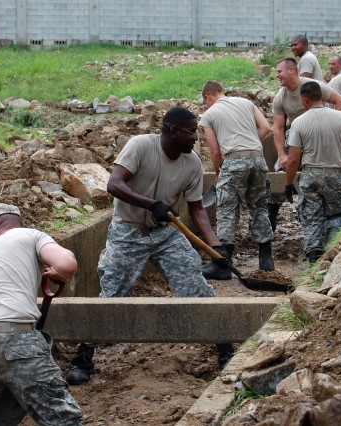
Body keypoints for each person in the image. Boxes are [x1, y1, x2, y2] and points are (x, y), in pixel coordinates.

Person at [64, 107, 235, 385]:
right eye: (192, 133)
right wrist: (151, 204)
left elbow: (197, 210)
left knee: (195, 286)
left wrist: (217, 246)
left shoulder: (191, 164)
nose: (196, 139)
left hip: (165, 234)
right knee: (113, 293)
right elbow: (114, 184)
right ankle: (83, 357)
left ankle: (225, 348)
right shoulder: (141, 146)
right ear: (173, 131)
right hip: (128, 231)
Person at [0, 203, 83, 425]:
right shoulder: (31, 235)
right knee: (61, 418)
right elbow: (68, 264)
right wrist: (55, 272)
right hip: (17, 341)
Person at [198, 80, 274, 280]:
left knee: (227, 211)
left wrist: (218, 173)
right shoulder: (245, 103)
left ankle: (223, 265)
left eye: (205, 101)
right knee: (259, 207)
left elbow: (215, 152)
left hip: (233, 162)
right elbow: (266, 127)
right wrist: (250, 146)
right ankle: (266, 260)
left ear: (208, 96)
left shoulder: (209, 115)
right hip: (258, 159)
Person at [285, 83, 341, 263]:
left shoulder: (299, 122)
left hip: (310, 175)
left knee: (312, 218)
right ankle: (333, 253)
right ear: (321, 97)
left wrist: (288, 184)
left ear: (305, 99)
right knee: (337, 215)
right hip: (335, 174)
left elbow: (293, 159)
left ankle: (314, 255)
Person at [270, 58, 341, 230]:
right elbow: (278, 128)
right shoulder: (280, 97)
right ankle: (271, 215)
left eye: (279, 71)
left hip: (320, 132)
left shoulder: (313, 86)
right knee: (279, 171)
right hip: (296, 135)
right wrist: (282, 154)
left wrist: (335, 125)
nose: (277, 76)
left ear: (291, 71)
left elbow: (340, 102)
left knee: (336, 165)